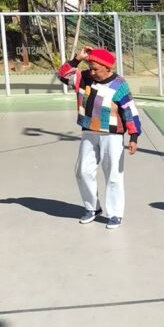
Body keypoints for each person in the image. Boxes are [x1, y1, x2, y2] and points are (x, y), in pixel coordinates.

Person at [58, 46, 141, 231]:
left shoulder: (119, 84)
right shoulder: (84, 78)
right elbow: (63, 75)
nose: (92, 72)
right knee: (82, 171)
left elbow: (129, 110)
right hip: (89, 130)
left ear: (107, 68)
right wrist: (77, 59)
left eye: (96, 69)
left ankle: (115, 214)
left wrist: (134, 135)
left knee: (113, 175)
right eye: (91, 68)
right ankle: (92, 207)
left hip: (112, 135)